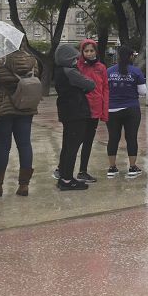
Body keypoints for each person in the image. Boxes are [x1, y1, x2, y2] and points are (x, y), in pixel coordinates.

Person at [0, 42, 40, 197]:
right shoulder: (33, 61)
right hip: (25, 106)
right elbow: (35, 77)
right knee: (25, 145)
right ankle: (24, 186)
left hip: (3, 107)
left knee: (3, 147)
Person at [53, 43, 96, 191]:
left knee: (67, 145)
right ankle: (67, 179)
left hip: (66, 111)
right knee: (73, 146)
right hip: (76, 111)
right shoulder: (70, 72)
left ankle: (64, 176)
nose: (76, 61)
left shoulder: (59, 71)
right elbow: (90, 84)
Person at [72, 39, 109, 183]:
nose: (89, 53)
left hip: (95, 109)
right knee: (76, 140)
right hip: (81, 108)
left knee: (88, 141)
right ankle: (62, 168)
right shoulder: (77, 66)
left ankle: (83, 171)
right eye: (86, 51)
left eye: (91, 51)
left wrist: (104, 111)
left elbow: (105, 88)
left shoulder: (101, 67)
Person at [106, 46, 146, 178]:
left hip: (111, 110)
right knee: (131, 137)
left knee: (113, 138)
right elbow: (143, 92)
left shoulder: (109, 72)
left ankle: (112, 168)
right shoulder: (136, 72)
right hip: (131, 109)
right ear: (130, 57)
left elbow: (104, 90)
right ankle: (132, 167)